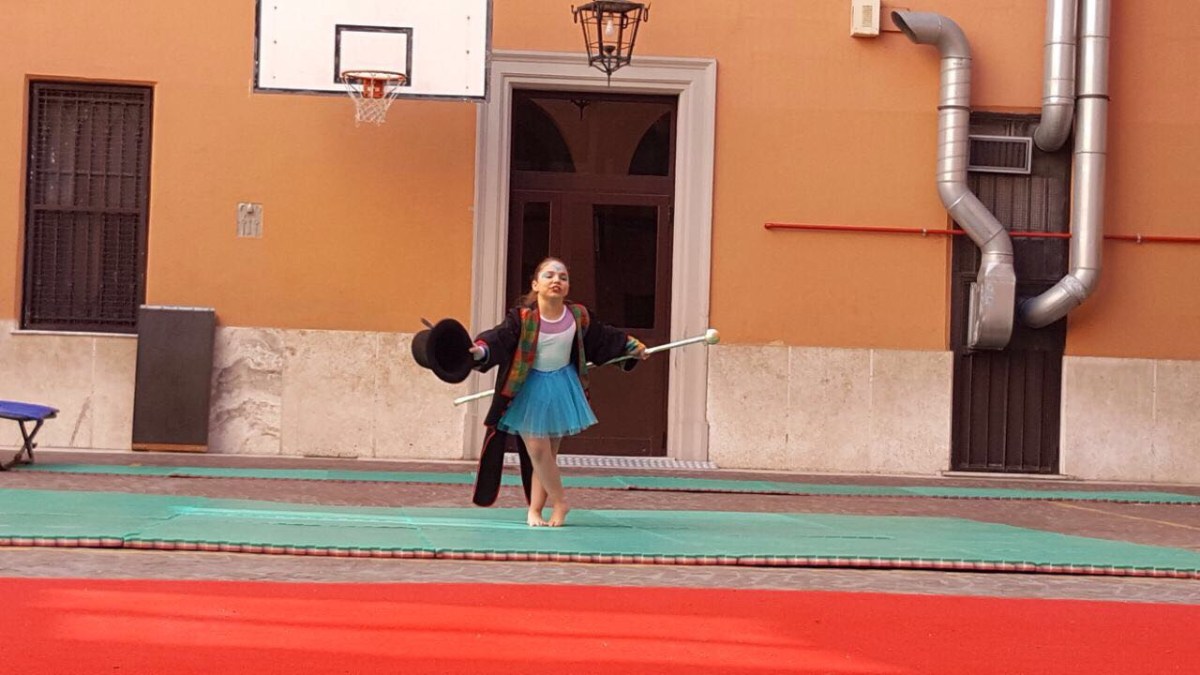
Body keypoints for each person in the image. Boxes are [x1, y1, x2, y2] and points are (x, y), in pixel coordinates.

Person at [469, 257, 646, 527]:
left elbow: (603, 338)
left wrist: (632, 347)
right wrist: (481, 350)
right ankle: (561, 502)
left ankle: (534, 511)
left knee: (547, 456)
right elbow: (499, 338)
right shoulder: (522, 318)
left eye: (563, 277)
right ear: (535, 285)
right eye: (549, 276)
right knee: (537, 450)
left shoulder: (578, 316)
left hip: (562, 387)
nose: (556, 281)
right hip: (528, 389)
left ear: (567, 286)